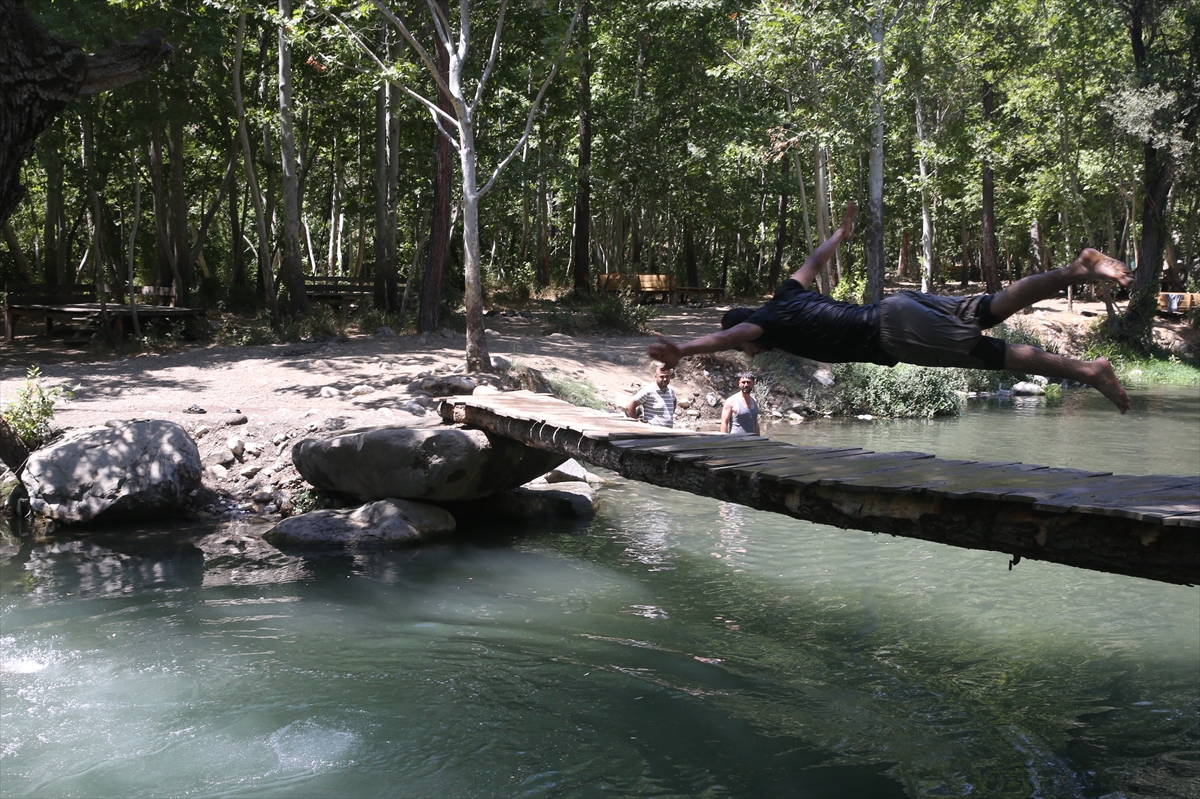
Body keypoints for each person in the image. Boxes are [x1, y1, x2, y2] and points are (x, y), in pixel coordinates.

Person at [648, 202, 1133, 413]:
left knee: (988, 354)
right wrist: (841, 234)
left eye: (748, 346)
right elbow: (814, 262)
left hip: (893, 336)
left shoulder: (760, 325)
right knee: (990, 308)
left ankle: (1087, 370)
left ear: (751, 331)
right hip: (899, 307)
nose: (747, 354)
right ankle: (1075, 271)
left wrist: (683, 350)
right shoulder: (787, 294)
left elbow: (728, 338)